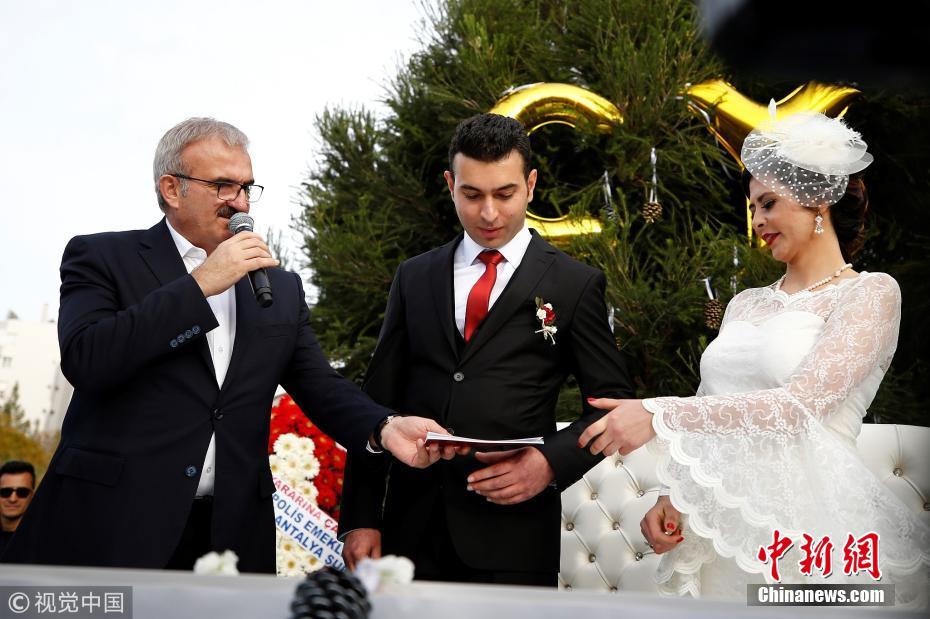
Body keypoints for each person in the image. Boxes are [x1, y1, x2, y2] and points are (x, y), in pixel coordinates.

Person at [1, 117, 456, 573]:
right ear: (171, 189)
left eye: (246, 187)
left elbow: (320, 384)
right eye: (223, 186)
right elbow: (87, 359)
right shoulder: (102, 256)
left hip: (230, 533)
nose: (240, 203)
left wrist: (384, 427)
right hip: (112, 525)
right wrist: (199, 285)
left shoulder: (279, 288)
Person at [579, 111, 930, 606]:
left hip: (806, 520)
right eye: (752, 207)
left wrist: (658, 413)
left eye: (768, 203)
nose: (757, 220)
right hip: (721, 515)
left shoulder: (870, 293)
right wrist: (672, 496)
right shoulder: (746, 303)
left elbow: (799, 407)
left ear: (818, 200)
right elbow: (712, 402)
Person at [339, 113, 634, 587]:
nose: (489, 213)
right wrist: (360, 517)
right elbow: (376, 403)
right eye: (472, 195)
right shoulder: (414, 276)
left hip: (514, 538)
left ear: (531, 185)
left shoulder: (574, 284)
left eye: (505, 194)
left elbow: (610, 405)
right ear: (450, 185)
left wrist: (549, 464)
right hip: (410, 533)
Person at [0, 461, 35, 556]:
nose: (13, 499)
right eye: (5, 492)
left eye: (22, 492)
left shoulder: (44, 541)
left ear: (32, 496)